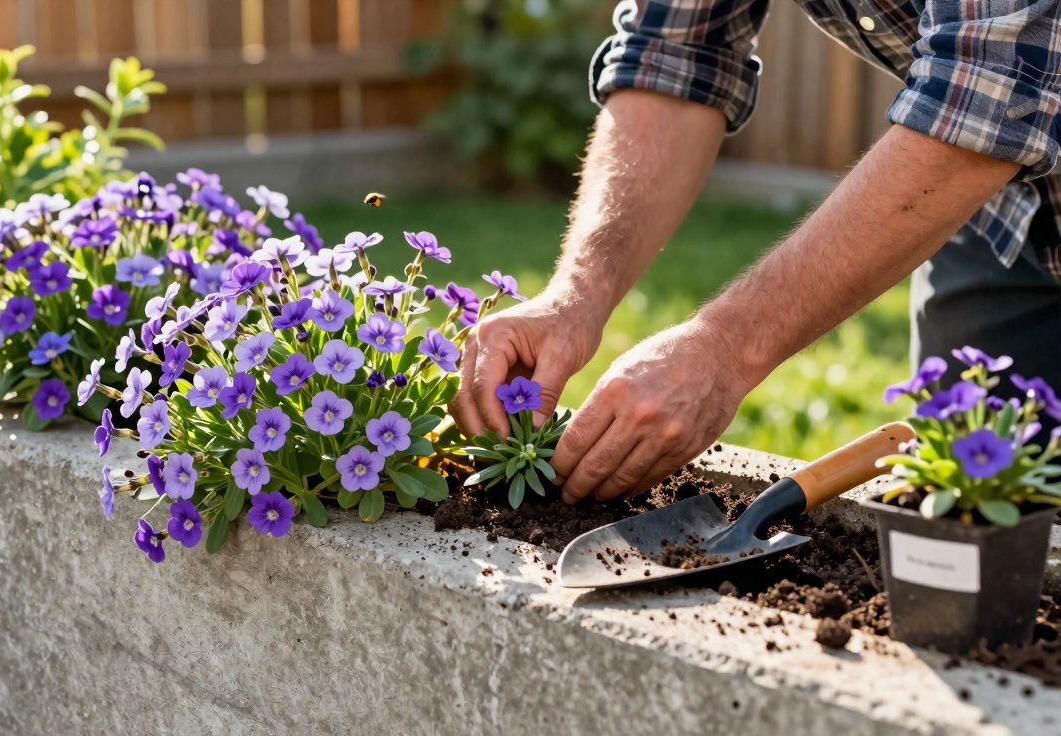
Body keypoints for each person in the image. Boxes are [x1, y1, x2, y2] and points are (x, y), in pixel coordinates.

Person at [450, 0, 1061, 505]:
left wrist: (725, 348)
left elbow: (992, 92)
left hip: (982, 159)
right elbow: (676, 52)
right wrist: (574, 294)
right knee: (971, 532)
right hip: (1001, 218)